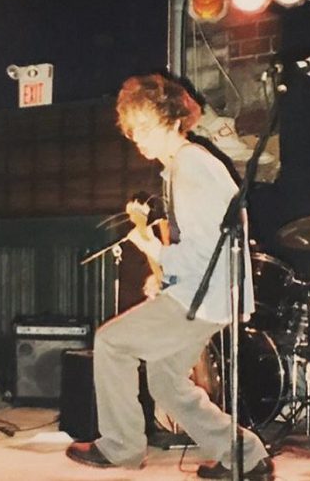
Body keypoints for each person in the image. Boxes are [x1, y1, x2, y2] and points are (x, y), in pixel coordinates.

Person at [65, 74, 274, 480]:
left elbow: (203, 249)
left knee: (111, 343)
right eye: (132, 129)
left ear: (175, 120)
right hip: (208, 295)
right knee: (166, 381)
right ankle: (246, 457)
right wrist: (165, 277)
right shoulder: (184, 166)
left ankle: (121, 447)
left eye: (146, 126)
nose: (138, 138)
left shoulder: (191, 167)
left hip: (203, 297)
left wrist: (155, 253)